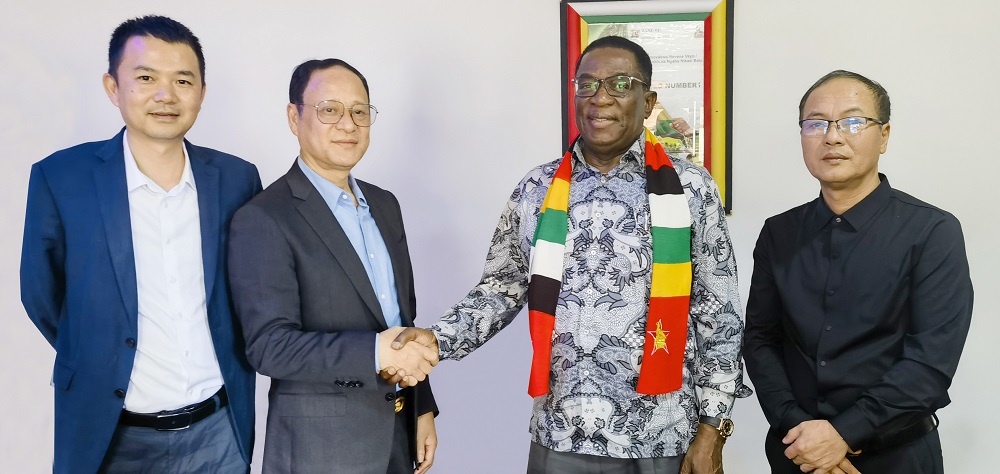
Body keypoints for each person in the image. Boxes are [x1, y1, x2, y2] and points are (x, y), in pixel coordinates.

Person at [387, 35, 749, 473]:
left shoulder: (692, 189)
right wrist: (437, 338)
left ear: (648, 101)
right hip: (560, 432)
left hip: (661, 434)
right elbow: (501, 289)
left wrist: (713, 428)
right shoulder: (536, 189)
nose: (600, 98)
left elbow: (720, 313)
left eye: (619, 84)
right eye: (587, 84)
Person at [19, 15, 260, 474]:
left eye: (183, 80)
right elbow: (41, 294)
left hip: (219, 431)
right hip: (110, 431)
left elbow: (253, 289)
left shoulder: (237, 179)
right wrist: (98, 349)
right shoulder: (61, 178)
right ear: (113, 87)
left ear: (201, 93)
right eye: (146, 78)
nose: (166, 95)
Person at [743, 70, 974, 474]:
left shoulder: (932, 231)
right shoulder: (779, 233)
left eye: (852, 122)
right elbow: (761, 339)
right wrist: (798, 429)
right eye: (816, 124)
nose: (832, 137)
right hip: (797, 453)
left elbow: (931, 362)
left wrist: (842, 434)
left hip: (897, 456)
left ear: (884, 136)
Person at [227, 58, 439, 474]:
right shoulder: (265, 217)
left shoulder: (385, 205)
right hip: (321, 449)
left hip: (398, 431)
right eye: (329, 110)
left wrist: (421, 407)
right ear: (294, 117)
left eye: (360, 111)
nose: (348, 124)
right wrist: (374, 351)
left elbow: (401, 319)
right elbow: (269, 347)